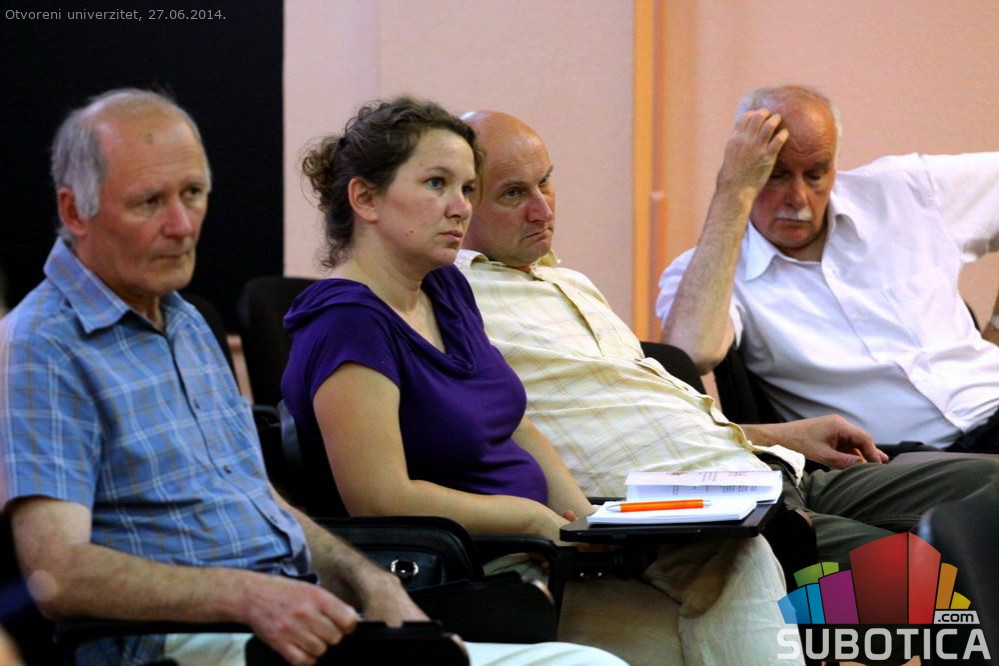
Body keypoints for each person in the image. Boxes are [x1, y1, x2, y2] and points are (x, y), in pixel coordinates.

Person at [0, 89, 609, 666]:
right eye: (149, 202)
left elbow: (259, 501)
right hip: (189, 641)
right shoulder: (43, 344)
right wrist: (249, 597)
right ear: (73, 211)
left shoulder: (181, 321)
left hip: (291, 616)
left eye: (193, 194)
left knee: (582, 660)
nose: (183, 225)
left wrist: (369, 582)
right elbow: (59, 574)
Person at [280, 97, 800, 666]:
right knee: (699, 634)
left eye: (467, 188)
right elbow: (380, 498)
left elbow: (516, 423)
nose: (460, 207)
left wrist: (585, 520)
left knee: (737, 556)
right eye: (436, 184)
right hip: (481, 573)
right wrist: (532, 518)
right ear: (365, 199)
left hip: (551, 553)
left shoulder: (443, 289)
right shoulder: (347, 322)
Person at [456, 109, 999, 571]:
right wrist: (733, 190)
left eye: (546, 183)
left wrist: (781, 436)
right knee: (936, 576)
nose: (544, 210)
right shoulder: (453, 299)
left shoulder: (568, 282)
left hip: (779, 466)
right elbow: (689, 354)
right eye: (514, 193)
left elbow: (658, 413)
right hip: (725, 499)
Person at [657, 84, 999, 453]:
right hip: (911, 461)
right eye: (776, 174)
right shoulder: (708, 272)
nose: (798, 198)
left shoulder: (904, 192)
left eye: (815, 174)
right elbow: (692, 353)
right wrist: (731, 191)